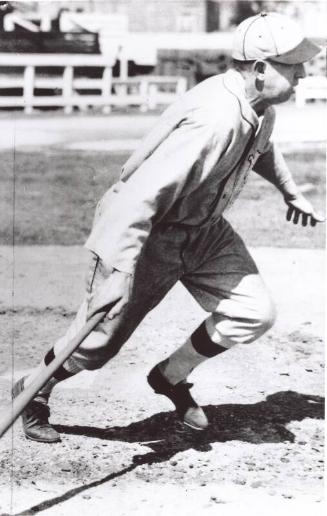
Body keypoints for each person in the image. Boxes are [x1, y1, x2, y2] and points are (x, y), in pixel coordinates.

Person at [13, 12, 324, 442]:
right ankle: (34, 391)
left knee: (253, 312)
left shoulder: (258, 103)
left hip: (205, 231)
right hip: (150, 232)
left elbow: (261, 148)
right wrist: (120, 270)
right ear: (259, 69)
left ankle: (170, 376)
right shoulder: (214, 121)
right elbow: (141, 197)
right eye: (294, 66)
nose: (304, 72)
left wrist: (290, 191)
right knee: (98, 342)